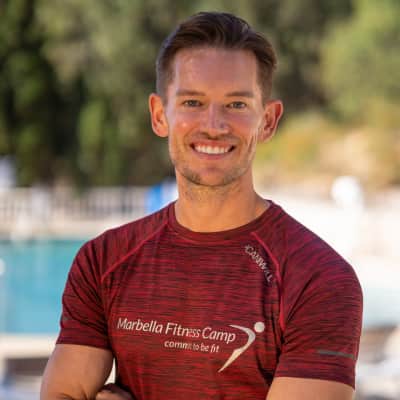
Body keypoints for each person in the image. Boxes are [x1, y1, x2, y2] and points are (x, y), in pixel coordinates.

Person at [40, 11, 362, 400]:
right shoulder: (103, 261)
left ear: (268, 121)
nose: (213, 125)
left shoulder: (319, 280)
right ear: (159, 115)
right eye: (192, 101)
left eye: (236, 104)